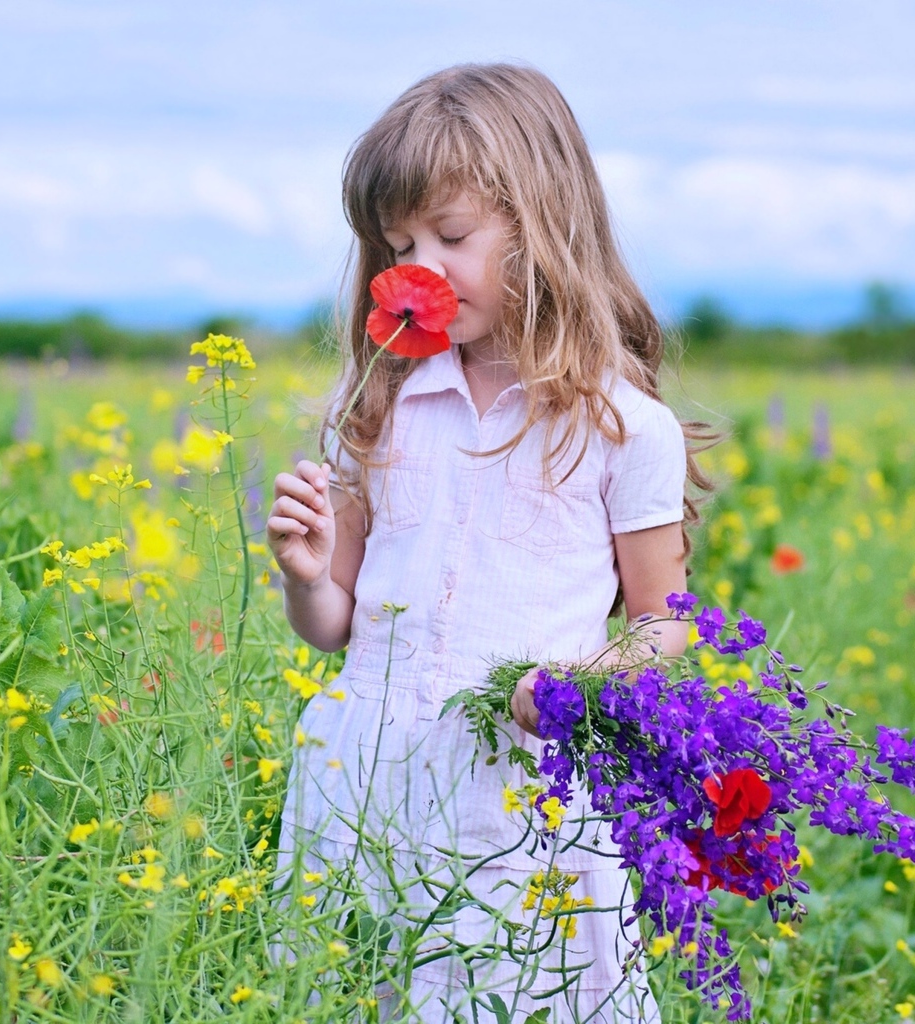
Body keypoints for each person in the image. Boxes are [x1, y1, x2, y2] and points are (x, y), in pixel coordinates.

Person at [267, 62, 709, 1023]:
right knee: (359, 990)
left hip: (521, 786)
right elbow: (334, 626)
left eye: (452, 236)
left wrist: (574, 687)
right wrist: (306, 577)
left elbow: (664, 625)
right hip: (366, 773)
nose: (418, 266)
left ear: (543, 223)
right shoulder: (373, 403)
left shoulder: (625, 427)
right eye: (398, 244)